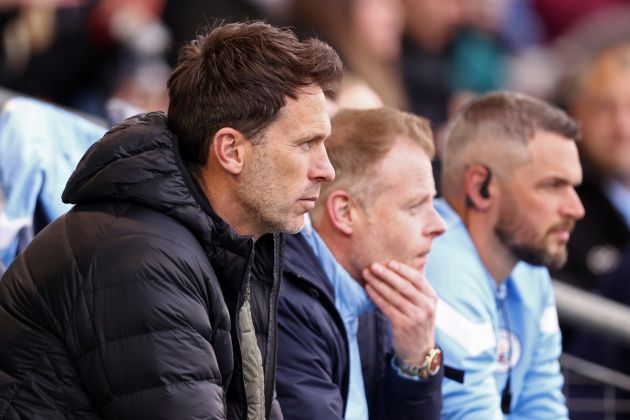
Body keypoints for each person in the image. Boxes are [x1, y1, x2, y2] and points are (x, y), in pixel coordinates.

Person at [0, 21, 341, 419]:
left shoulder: (234, 241)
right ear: (231, 150)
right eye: (306, 144)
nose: (326, 170)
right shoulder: (138, 257)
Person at [276, 107, 446, 420]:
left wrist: (415, 364)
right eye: (415, 206)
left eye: (432, 203)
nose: (439, 225)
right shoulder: (284, 300)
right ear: (344, 213)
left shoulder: (372, 289)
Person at [426, 91, 584, 419]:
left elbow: (543, 402)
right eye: (554, 185)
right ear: (481, 187)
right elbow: (466, 412)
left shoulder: (528, 263)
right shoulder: (436, 258)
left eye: (574, 187)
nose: (576, 208)